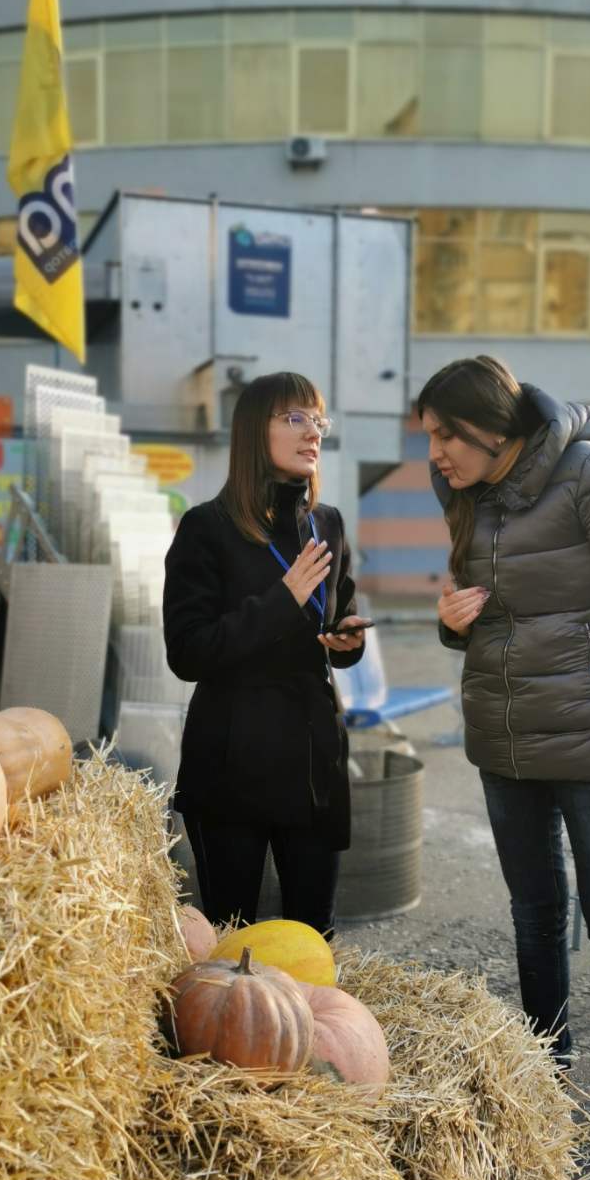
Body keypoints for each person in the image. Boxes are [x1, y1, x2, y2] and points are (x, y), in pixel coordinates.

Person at [421, 354, 590, 1180]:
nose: (434, 454)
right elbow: (486, 614)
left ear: (490, 428)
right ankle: (547, 1089)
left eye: (443, 436)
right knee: (536, 918)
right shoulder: (464, 493)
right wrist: (450, 622)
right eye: (428, 438)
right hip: (505, 744)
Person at [163, 371, 368, 938]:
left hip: (313, 760)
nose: (313, 433)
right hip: (233, 764)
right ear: (256, 430)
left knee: (313, 940)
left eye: (318, 420)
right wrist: (282, 600)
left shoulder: (327, 525)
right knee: (234, 944)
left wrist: (347, 640)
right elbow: (187, 653)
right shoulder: (207, 528)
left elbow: (335, 617)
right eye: (294, 418)